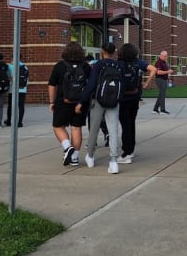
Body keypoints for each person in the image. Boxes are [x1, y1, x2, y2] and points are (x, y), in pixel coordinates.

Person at [77, 42, 123, 173]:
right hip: (114, 102)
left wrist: (82, 101)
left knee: (94, 128)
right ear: (114, 52)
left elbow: (91, 85)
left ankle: (90, 156)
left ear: (102, 51)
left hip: (98, 101)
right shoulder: (118, 66)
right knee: (113, 131)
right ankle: (113, 161)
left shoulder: (99, 65)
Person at [48, 41, 89, 166]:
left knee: (58, 126)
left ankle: (67, 147)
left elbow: (52, 85)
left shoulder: (60, 66)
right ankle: (75, 158)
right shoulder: (86, 66)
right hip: (81, 103)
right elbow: (91, 85)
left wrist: (51, 101)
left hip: (62, 102)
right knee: (76, 128)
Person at [117, 43, 156, 164]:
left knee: (125, 125)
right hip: (135, 97)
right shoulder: (139, 63)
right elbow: (153, 69)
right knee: (131, 123)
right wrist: (146, 83)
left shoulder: (119, 64)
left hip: (123, 98)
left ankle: (126, 153)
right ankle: (131, 150)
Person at [5, 55, 28, 127]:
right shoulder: (25, 67)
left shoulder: (10, 66)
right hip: (22, 89)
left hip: (13, 89)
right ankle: (20, 122)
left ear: (12, 58)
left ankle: (9, 121)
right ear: (21, 58)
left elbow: (8, 76)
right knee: (21, 106)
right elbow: (27, 78)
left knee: (10, 106)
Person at [150, 50, 173, 114]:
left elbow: (165, 71)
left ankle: (155, 109)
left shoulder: (164, 62)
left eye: (166, 56)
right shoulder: (158, 62)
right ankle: (162, 110)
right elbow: (158, 72)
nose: (166, 57)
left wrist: (169, 78)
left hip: (164, 80)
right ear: (161, 56)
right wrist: (168, 72)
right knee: (162, 95)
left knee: (161, 94)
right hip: (160, 80)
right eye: (165, 56)